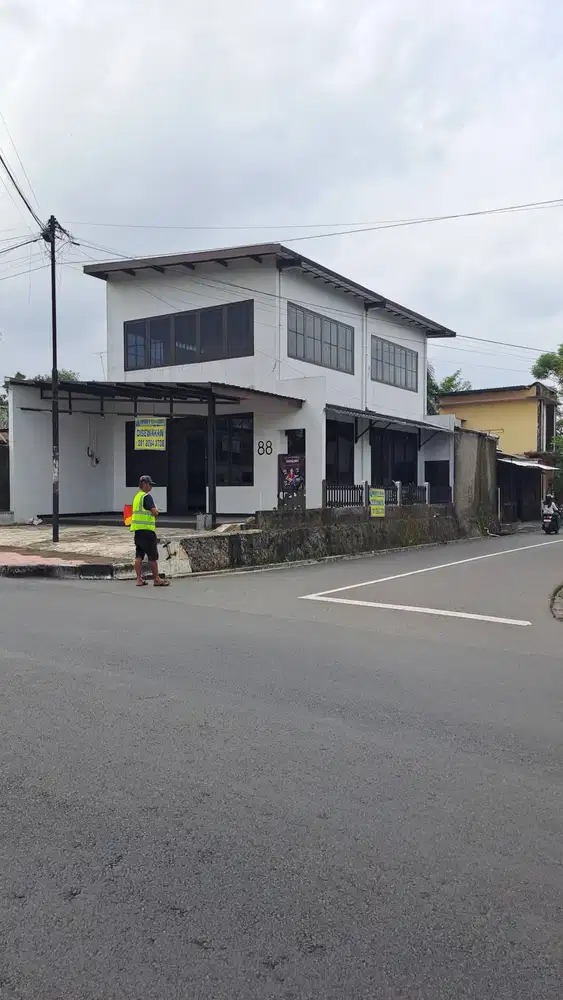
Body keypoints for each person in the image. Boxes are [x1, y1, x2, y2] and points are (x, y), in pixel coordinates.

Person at [130, 475, 170, 587]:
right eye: (150, 484)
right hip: (147, 532)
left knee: (139, 556)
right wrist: (156, 509)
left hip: (137, 531)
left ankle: (139, 579)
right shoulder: (147, 497)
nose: (151, 487)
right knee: (152, 556)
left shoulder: (137, 497)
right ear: (145, 484)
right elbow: (154, 513)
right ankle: (157, 579)